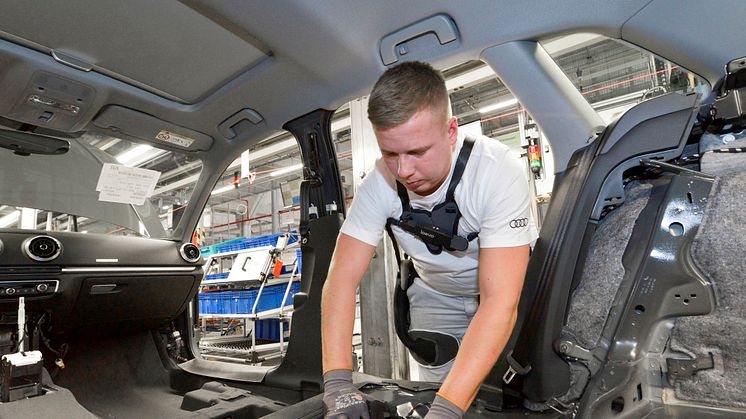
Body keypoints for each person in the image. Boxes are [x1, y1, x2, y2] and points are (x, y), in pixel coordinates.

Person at [321, 61, 538, 418]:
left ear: (451, 131)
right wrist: (338, 386)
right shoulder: (377, 186)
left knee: (508, 395)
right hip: (435, 298)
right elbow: (341, 282)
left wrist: (447, 412)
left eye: (417, 152)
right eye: (390, 153)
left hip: (504, 294)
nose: (404, 171)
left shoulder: (498, 172)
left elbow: (500, 301)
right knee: (433, 393)